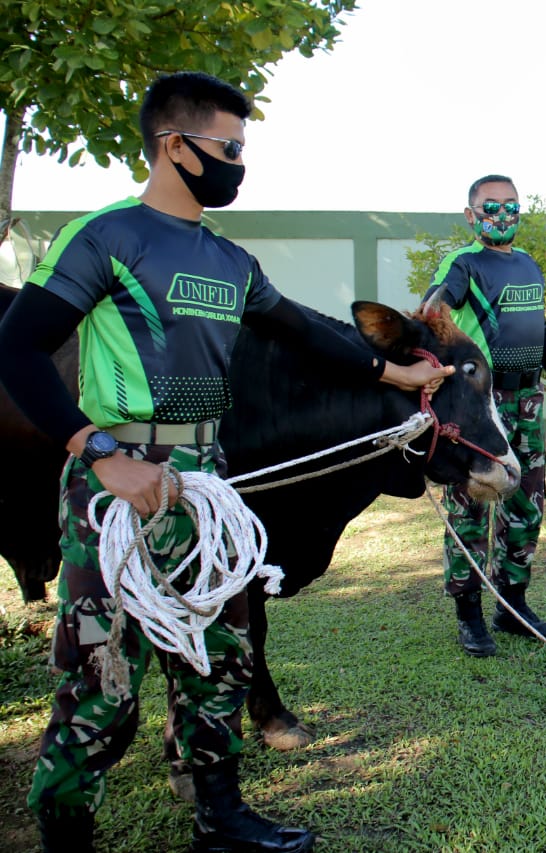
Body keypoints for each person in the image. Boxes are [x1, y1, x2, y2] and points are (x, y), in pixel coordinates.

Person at [0, 71, 453, 853]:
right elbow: (18, 345)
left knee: (220, 660)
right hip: (120, 484)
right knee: (101, 683)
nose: (239, 163)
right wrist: (97, 452)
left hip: (208, 484)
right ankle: (65, 834)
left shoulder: (228, 261)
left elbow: (307, 332)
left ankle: (222, 818)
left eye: (242, 149)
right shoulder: (108, 237)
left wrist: (396, 373)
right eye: (228, 147)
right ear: (174, 145)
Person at [424, 175, 546, 658]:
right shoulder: (464, 263)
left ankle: (512, 605)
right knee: (471, 507)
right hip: (481, 407)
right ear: (471, 215)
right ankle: (469, 614)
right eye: (490, 206)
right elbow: (434, 309)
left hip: (528, 402)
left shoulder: (528, 266)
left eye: (511, 206)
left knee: (526, 505)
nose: (502, 214)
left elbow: (540, 332)